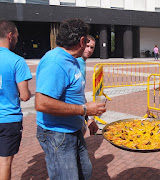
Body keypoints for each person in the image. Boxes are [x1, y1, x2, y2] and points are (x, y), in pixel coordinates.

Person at [35, 18, 107, 179]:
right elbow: (41, 103)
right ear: (82, 41)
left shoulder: (72, 60)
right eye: (87, 42)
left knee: (85, 173)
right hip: (57, 134)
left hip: (73, 130)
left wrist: (87, 118)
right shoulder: (55, 62)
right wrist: (85, 109)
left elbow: (74, 95)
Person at [0, 19, 32, 180]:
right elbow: (25, 96)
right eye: (17, 36)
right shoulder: (17, 61)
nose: (17, 40)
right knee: (4, 162)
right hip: (8, 119)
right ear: (10, 35)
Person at [76, 35, 99, 135]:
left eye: (92, 47)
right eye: (87, 46)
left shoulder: (82, 62)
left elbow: (80, 92)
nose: (89, 50)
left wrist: (88, 118)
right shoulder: (76, 62)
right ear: (82, 44)